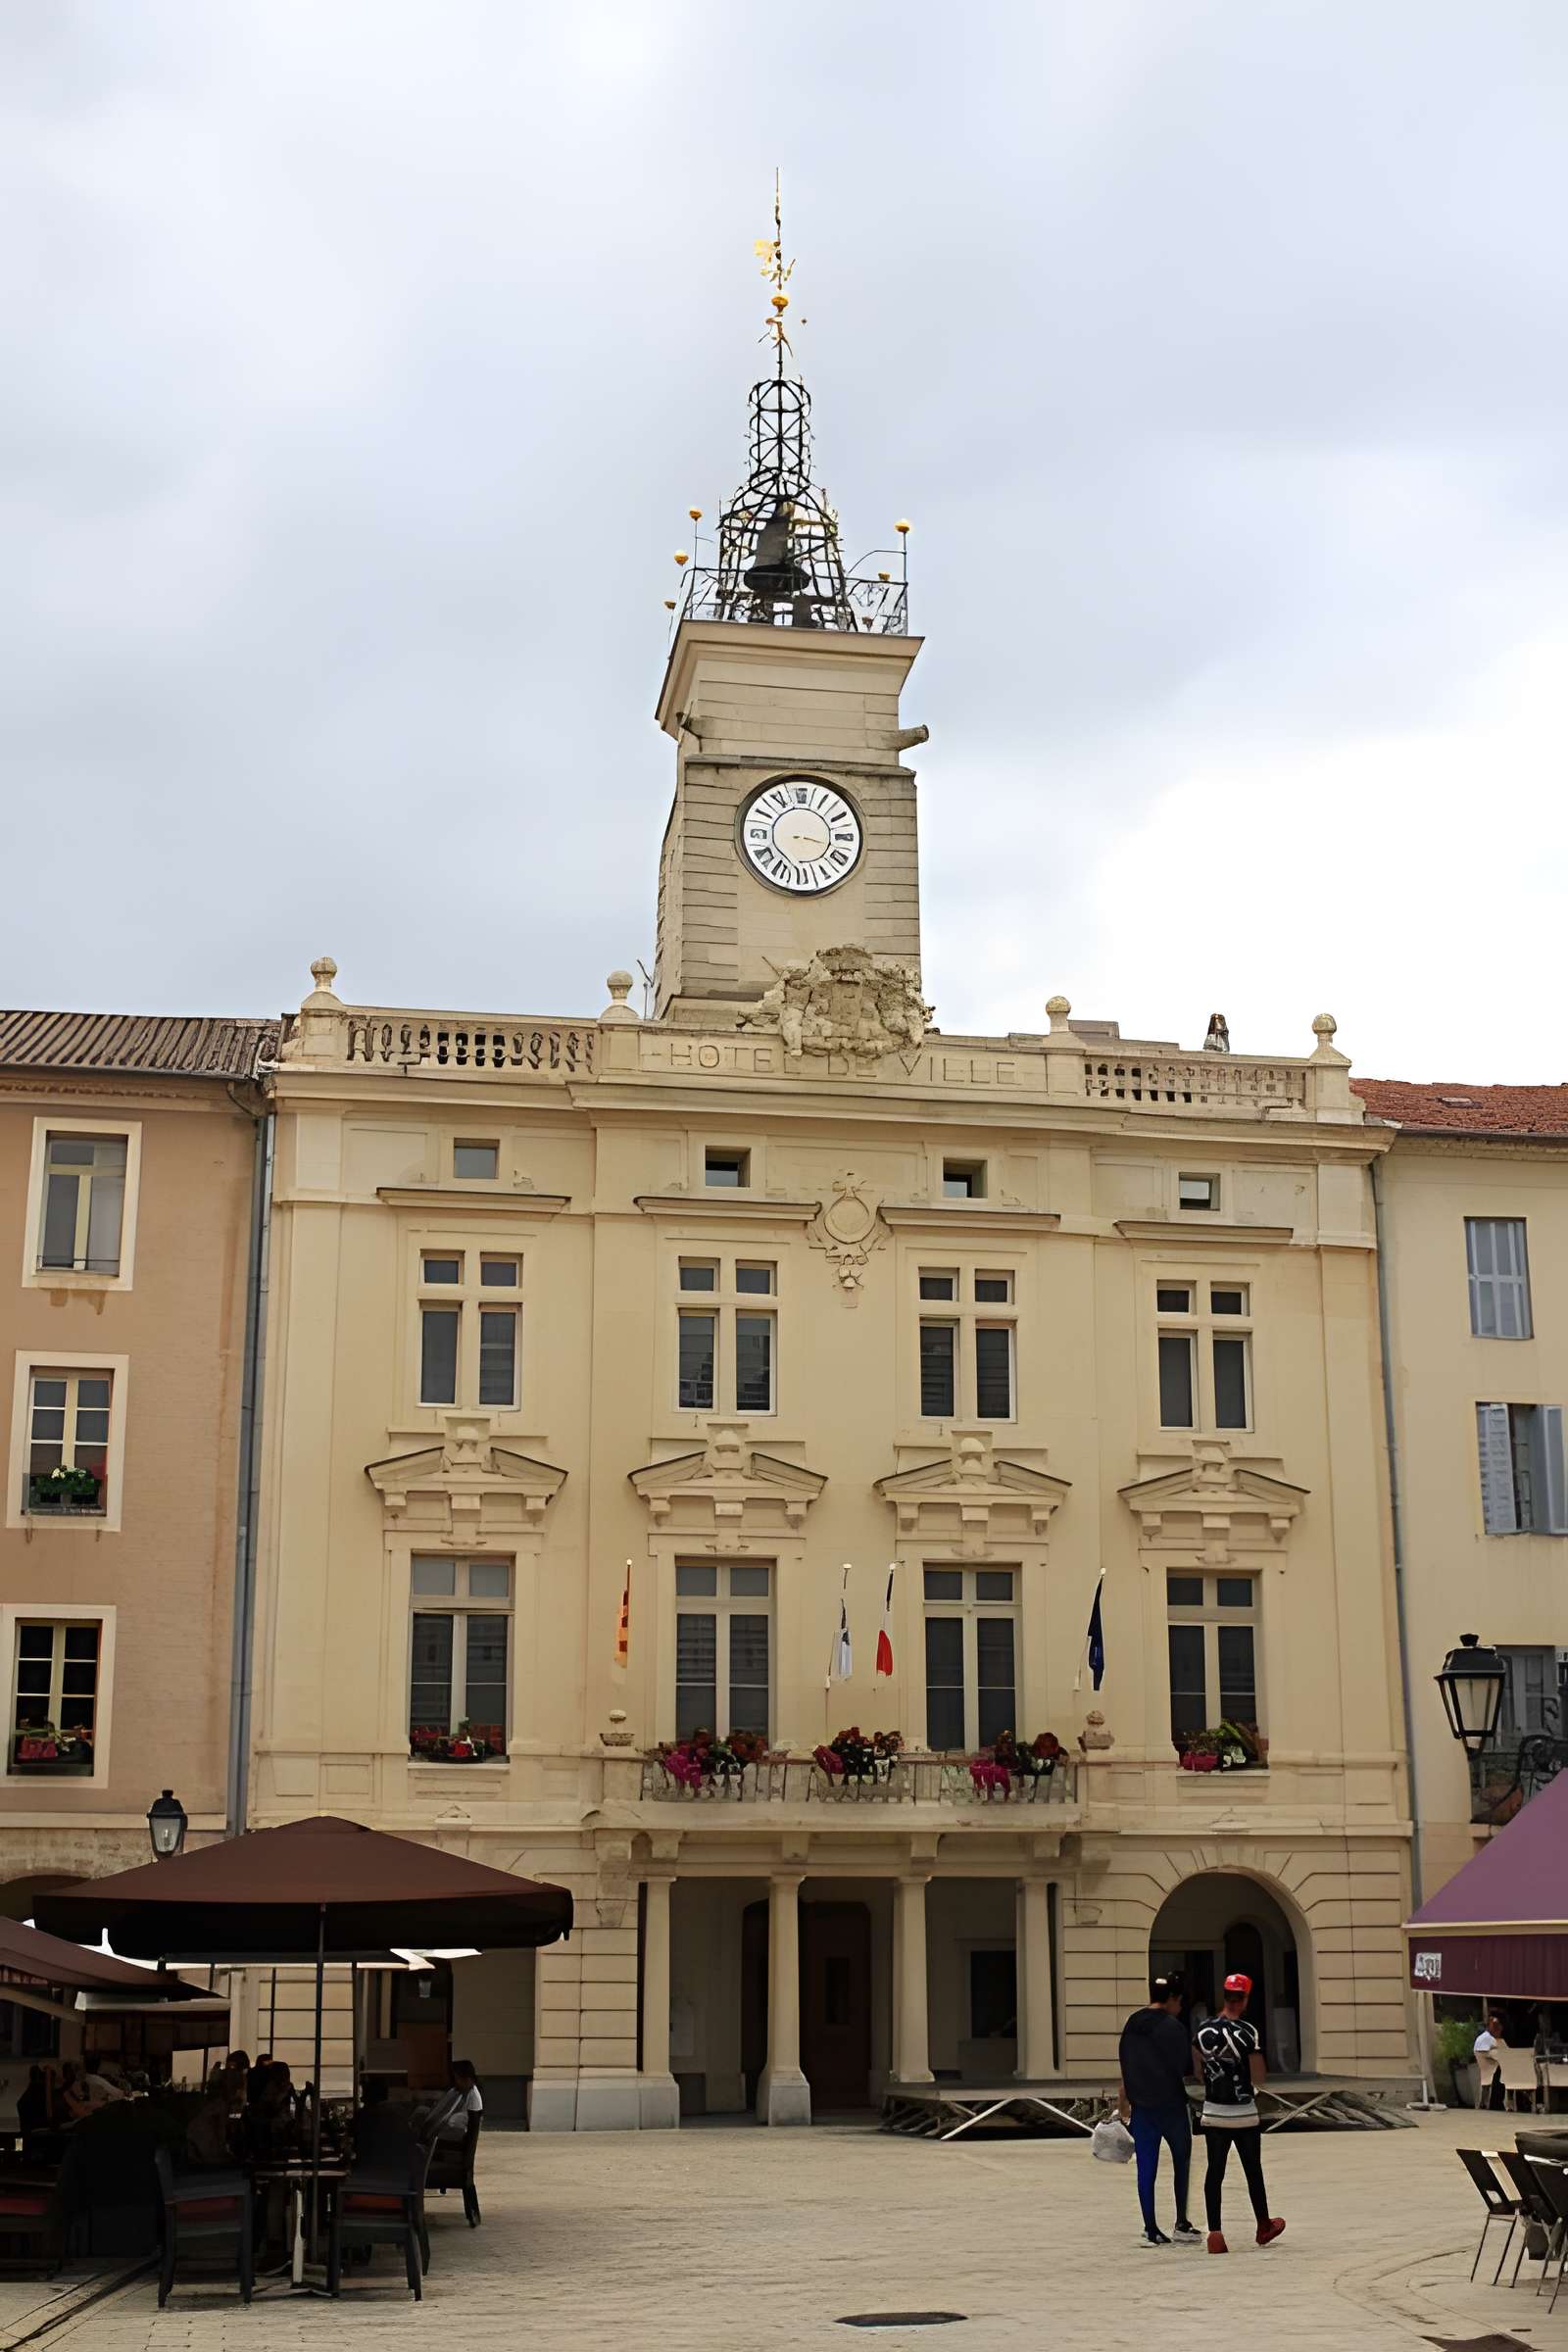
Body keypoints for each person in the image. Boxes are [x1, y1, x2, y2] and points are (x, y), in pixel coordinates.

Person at [1195, 1973, 1285, 2254]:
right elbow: (1258, 2077)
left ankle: (1215, 2233)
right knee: (1252, 2170)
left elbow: (1198, 2073)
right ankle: (1263, 2225)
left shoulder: (1203, 2030)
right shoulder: (1248, 2032)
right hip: (1244, 2113)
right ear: (1245, 1999)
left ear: (1224, 1997)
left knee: (1215, 2171)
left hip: (1213, 2112)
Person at [1117, 1975, 1200, 2248]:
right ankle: (1181, 2222)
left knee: (1146, 2168)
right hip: (1171, 2106)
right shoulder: (1173, 2027)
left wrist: (1125, 2099)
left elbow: (1125, 2062)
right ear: (1173, 1999)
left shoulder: (1132, 2023)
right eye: (1180, 2001)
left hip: (1142, 2107)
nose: (1180, 2007)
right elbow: (1186, 2068)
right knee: (1181, 2161)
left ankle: (1150, 2227)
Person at [352, 2078, 418, 2173]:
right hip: (396, 2169)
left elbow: (356, 2143)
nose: (361, 2098)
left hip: (370, 2168)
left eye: (363, 2095)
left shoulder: (364, 2115)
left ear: (368, 2097)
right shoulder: (398, 2114)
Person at [419, 2058, 483, 2145]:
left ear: (467, 2079)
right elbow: (441, 2109)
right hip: (441, 2129)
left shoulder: (472, 2097)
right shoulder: (457, 2091)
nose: (456, 2081)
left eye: (457, 2078)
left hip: (451, 2136)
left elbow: (456, 2123)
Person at [1474, 2011, 1507, 2111]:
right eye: (1495, 2025)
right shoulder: (1486, 2038)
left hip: (1491, 2069)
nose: (1498, 2028)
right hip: (1489, 2070)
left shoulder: (1493, 2038)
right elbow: (1500, 2054)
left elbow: (1504, 2052)